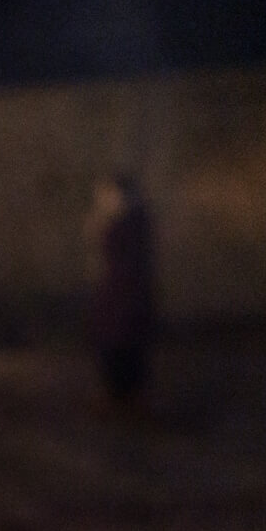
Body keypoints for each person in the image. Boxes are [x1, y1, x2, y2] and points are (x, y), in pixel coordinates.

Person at [88, 174, 156, 408]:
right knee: (114, 340)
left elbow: (125, 256)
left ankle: (128, 392)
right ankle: (118, 391)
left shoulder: (132, 222)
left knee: (126, 340)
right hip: (116, 291)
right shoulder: (125, 221)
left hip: (126, 292)